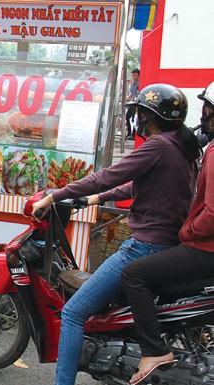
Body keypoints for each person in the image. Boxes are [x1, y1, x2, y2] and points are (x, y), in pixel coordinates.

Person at [31, 83, 202, 385]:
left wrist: (54, 196)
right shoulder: (181, 147)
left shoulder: (158, 146)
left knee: (72, 312)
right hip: (166, 246)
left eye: (140, 113)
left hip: (144, 247)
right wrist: (93, 200)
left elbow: (108, 176)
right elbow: (139, 185)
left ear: (148, 116)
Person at [121, 80, 214, 385]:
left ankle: (154, 350)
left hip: (204, 248)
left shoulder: (210, 151)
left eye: (209, 110)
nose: (205, 117)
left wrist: (187, 232)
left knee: (134, 274)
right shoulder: (194, 148)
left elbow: (212, 213)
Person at [125, 68, 140, 140]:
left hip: (136, 103)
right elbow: (132, 93)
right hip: (132, 102)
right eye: (133, 75)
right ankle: (129, 133)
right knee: (127, 117)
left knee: (134, 118)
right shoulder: (133, 83)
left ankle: (133, 134)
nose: (134, 77)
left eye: (135, 75)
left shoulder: (139, 83)